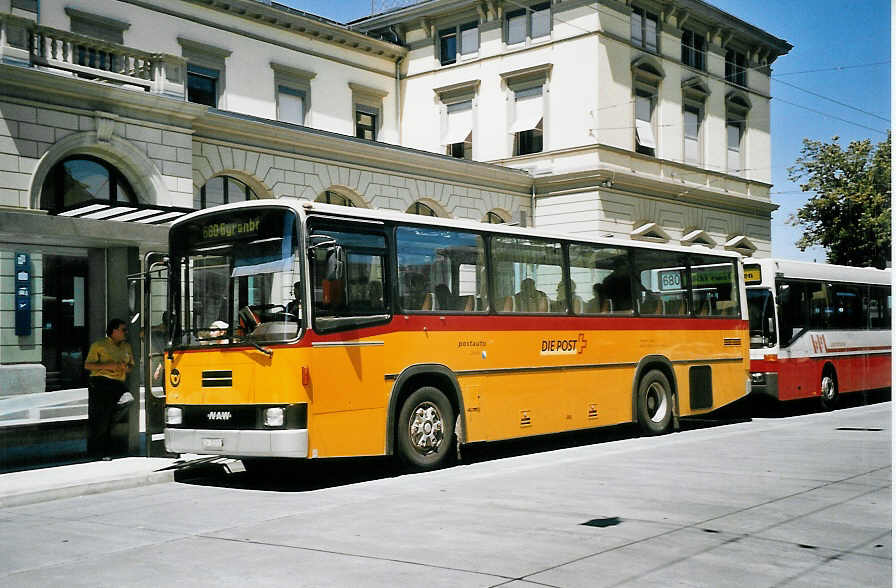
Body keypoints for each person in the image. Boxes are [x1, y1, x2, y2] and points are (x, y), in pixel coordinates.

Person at [84, 318, 134, 459]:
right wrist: (107, 366)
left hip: (118, 384)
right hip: (101, 382)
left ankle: (111, 417)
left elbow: (131, 365)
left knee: (128, 400)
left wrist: (126, 368)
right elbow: (88, 365)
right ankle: (100, 452)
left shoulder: (126, 346)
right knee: (102, 420)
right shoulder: (99, 346)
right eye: (123, 330)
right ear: (114, 331)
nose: (125, 332)